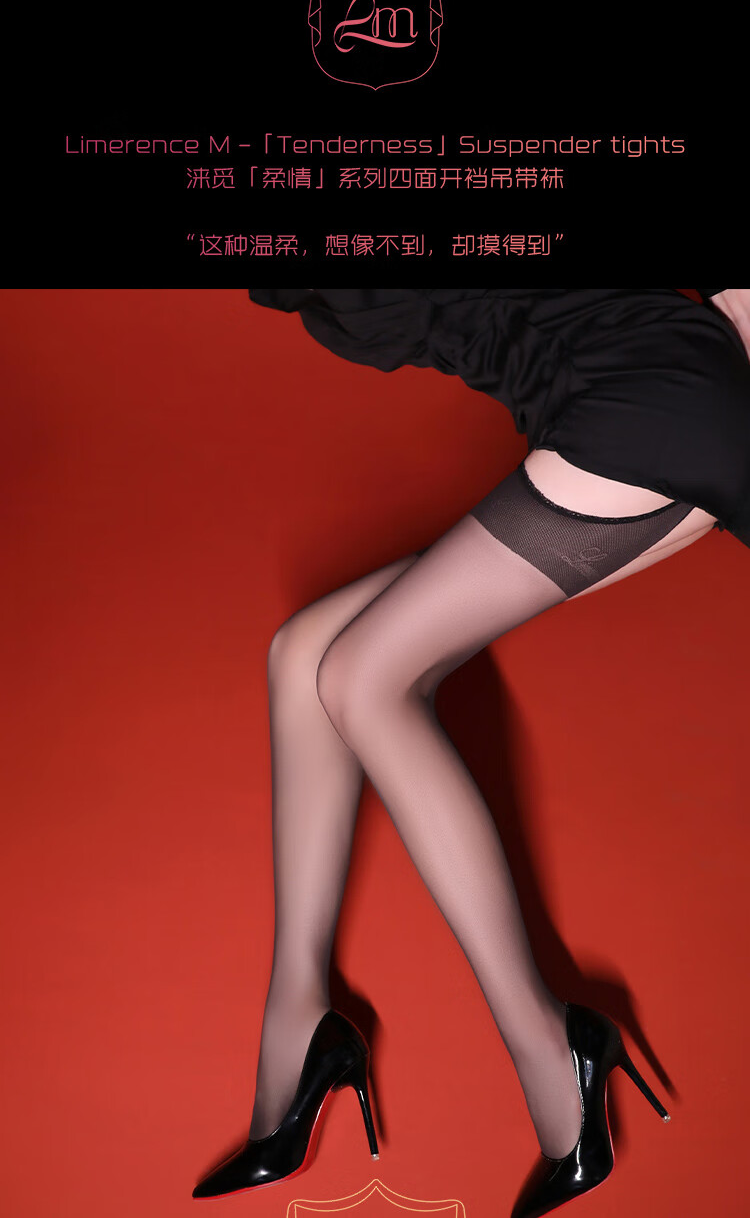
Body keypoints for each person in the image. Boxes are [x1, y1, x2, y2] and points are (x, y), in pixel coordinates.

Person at [192, 288, 750, 1215]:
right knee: (304, 655)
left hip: (649, 397)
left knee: (365, 679)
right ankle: (299, 1024)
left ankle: (552, 1046)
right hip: (628, 399)